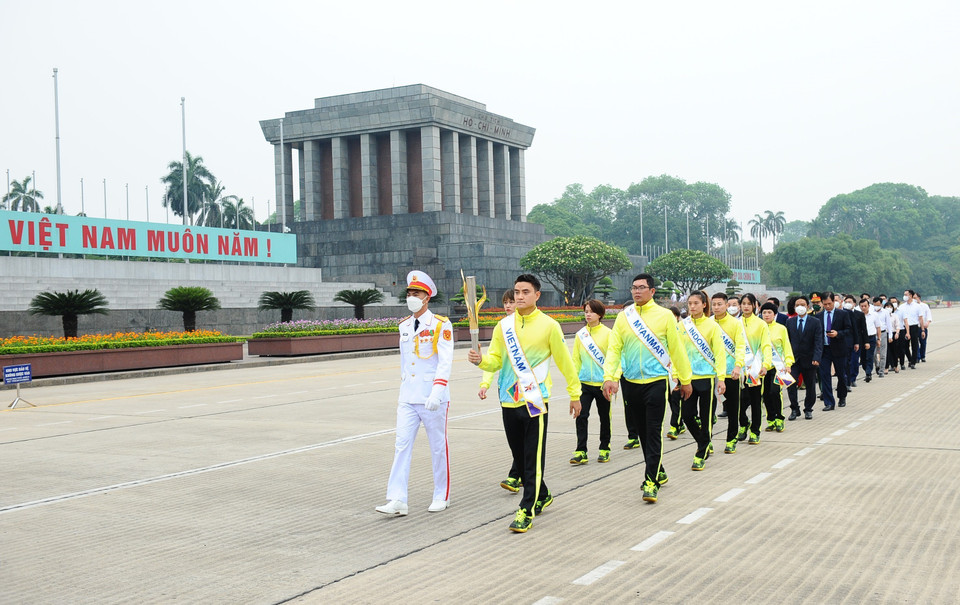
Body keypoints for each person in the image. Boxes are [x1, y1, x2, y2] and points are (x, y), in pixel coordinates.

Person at [468, 274, 582, 533]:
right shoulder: (503, 326)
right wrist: (481, 362)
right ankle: (542, 494)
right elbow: (495, 361)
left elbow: (566, 363)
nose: (519, 296)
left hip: (535, 401)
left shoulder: (549, 326)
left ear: (537, 295)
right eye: (517, 292)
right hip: (508, 400)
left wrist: (575, 394)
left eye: (525, 292)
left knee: (533, 457)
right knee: (520, 458)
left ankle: (526, 509)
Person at [602, 274, 692, 504]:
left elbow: (677, 349)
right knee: (641, 432)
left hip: (656, 382)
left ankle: (651, 480)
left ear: (652, 291)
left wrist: (685, 378)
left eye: (642, 288)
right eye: (634, 288)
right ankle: (658, 468)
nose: (637, 292)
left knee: (652, 431)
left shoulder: (664, 316)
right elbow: (614, 349)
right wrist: (610, 376)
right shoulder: (624, 317)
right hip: (630, 382)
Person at [376, 270, 455, 517]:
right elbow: (405, 362)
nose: (412, 296)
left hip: (433, 398)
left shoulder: (441, 325)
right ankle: (398, 499)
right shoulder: (404, 326)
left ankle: (441, 494)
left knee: (437, 447)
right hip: (408, 397)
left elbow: (445, 361)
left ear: (427, 297)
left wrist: (438, 391)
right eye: (409, 292)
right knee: (401, 445)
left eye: (416, 293)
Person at [479, 290, 523, 492]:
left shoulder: (526, 326)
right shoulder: (501, 327)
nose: (508, 306)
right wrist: (485, 384)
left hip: (525, 388)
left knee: (524, 436)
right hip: (506, 388)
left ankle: (516, 475)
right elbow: (493, 358)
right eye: (505, 302)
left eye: (511, 302)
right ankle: (520, 473)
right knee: (514, 437)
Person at [678, 291, 726, 470]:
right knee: (687, 416)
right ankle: (703, 442)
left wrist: (721, 378)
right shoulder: (682, 325)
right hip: (688, 379)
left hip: (706, 378)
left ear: (704, 304)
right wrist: (677, 374)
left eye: (696, 303)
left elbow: (720, 353)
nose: (692, 306)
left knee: (706, 418)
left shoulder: (712, 326)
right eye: (689, 303)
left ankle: (700, 453)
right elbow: (677, 351)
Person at [570, 299, 617, 464]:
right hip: (584, 384)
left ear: (600, 314)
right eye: (586, 311)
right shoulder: (580, 335)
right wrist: (574, 383)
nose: (588, 314)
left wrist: (611, 379)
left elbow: (615, 359)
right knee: (581, 416)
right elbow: (575, 361)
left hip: (602, 384)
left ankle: (605, 448)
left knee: (604, 417)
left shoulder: (609, 334)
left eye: (591, 311)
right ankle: (581, 451)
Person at [710, 292, 746, 453]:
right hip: (710, 372)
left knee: (732, 408)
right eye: (714, 304)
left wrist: (738, 366)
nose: (716, 307)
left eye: (719, 304)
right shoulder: (708, 323)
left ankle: (731, 439)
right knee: (708, 409)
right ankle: (706, 440)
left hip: (731, 372)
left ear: (726, 305)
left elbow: (740, 346)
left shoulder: (736, 324)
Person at [737, 293, 773, 444]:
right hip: (738, 369)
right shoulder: (735, 323)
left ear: (754, 306)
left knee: (755, 400)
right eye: (743, 303)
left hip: (755, 368)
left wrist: (766, 365)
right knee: (740, 401)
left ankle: (755, 430)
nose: (745, 306)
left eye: (749, 303)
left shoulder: (761, 324)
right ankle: (744, 423)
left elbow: (766, 346)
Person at [786, 295, 822, 420]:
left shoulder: (815, 322)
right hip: (793, 360)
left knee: (810, 385)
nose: (800, 307)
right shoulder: (789, 322)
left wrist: (817, 357)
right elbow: (787, 341)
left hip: (810, 359)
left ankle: (808, 408)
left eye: (802, 305)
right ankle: (794, 409)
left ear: (808, 306)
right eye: (797, 305)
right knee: (790, 384)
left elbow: (818, 341)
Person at [761, 301, 794, 431]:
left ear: (775, 314)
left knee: (775, 392)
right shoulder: (760, 328)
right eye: (764, 312)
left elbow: (786, 346)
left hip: (778, 366)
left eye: (769, 312)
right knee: (766, 394)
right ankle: (771, 420)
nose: (767, 315)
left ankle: (779, 418)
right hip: (764, 367)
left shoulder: (781, 328)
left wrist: (788, 363)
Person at [818, 291, 852, 411]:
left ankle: (842, 396)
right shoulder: (818, 316)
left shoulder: (842, 314)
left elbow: (848, 330)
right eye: (825, 304)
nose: (827, 306)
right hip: (824, 350)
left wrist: (838, 333)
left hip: (839, 348)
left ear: (834, 302)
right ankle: (829, 402)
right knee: (825, 376)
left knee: (841, 375)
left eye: (829, 303)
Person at [665, 306, 687, 441]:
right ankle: (681, 423)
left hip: (677, 369)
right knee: (670, 399)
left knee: (676, 398)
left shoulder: (681, 329)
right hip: (666, 370)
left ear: (677, 317)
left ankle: (675, 426)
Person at [845, 294, 869, 388]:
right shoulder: (842, 313)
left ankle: (853, 378)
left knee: (854, 361)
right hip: (845, 341)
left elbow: (864, 329)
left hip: (857, 341)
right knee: (846, 361)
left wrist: (866, 342)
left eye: (849, 302)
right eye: (846, 302)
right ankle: (846, 379)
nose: (847, 304)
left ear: (854, 304)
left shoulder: (859, 314)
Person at [858, 298, 881, 382]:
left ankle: (868, 373)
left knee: (869, 356)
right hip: (861, 338)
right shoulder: (858, 315)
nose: (863, 308)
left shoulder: (874, 315)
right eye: (862, 306)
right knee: (863, 357)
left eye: (865, 306)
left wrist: (879, 338)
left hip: (871, 337)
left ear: (869, 306)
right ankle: (866, 369)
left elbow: (878, 327)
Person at [901, 289, 922, 368]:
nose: (904, 296)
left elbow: (920, 318)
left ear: (911, 295)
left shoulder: (917, 306)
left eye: (906, 294)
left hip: (914, 326)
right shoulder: (902, 306)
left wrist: (922, 329)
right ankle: (909, 359)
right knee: (905, 345)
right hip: (904, 327)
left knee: (914, 345)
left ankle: (913, 362)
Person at [872, 296, 891, 378]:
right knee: (874, 353)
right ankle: (877, 365)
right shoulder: (871, 312)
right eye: (875, 305)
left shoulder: (885, 312)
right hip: (873, 334)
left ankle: (881, 370)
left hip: (883, 333)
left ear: (881, 305)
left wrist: (890, 335)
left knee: (883, 353)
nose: (877, 307)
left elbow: (889, 324)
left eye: (878, 305)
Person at [915, 292, 932, 362]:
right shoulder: (912, 307)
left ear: (919, 298)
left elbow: (929, 315)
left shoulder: (924, 306)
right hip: (915, 327)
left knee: (923, 342)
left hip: (923, 327)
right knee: (915, 342)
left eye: (915, 298)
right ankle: (917, 356)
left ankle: (923, 356)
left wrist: (927, 322)